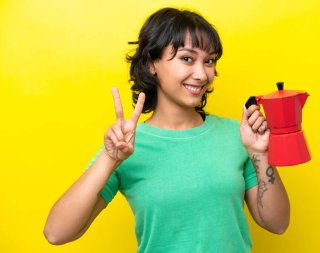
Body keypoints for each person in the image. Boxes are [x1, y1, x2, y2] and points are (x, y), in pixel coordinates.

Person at [43, 7, 290, 252]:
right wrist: (109, 159)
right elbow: (56, 233)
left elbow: (277, 223)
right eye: (187, 58)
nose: (202, 74)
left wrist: (260, 153)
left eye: (209, 61)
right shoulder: (126, 146)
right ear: (152, 63)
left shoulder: (238, 135)